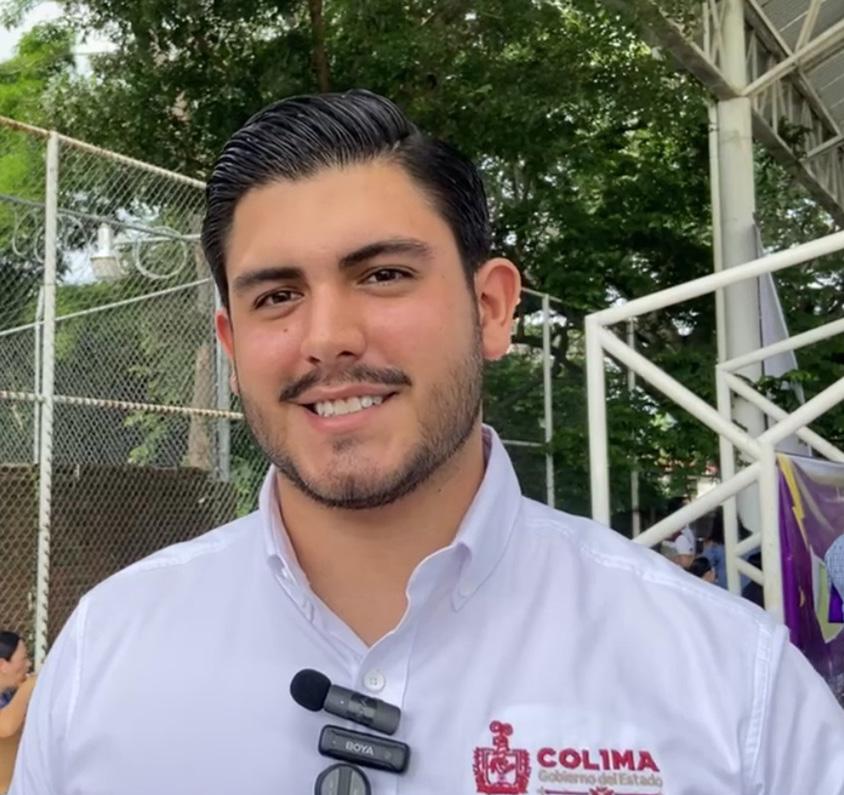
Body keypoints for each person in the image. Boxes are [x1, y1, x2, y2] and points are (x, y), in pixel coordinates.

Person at [12, 90, 844, 794]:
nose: (327, 338)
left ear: (492, 309)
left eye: (383, 275)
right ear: (231, 347)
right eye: (277, 296)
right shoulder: (105, 657)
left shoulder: (735, 686)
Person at [0, 633, 35, 794]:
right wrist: (28, 686)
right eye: (24, 659)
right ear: (2, 665)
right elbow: (6, 727)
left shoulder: (7, 695)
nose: (29, 664)